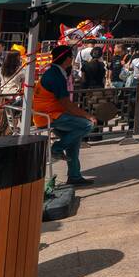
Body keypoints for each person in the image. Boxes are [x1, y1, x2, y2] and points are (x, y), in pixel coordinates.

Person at [36, 44, 95, 186]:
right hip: (49, 116)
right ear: (67, 59)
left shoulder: (55, 73)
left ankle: (74, 176)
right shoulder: (55, 75)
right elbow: (65, 103)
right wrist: (87, 115)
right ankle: (56, 149)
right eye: (71, 56)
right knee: (87, 125)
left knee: (74, 142)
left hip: (52, 114)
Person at [0, 48, 27, 136]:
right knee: (13, 116)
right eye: (19, 57)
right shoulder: (21, 70)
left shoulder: (1, 69)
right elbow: (25, 80)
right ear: (16, 59)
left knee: (2, 116)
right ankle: (10, 133)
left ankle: (1, 132)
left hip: (2, 94)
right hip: (13, 95)